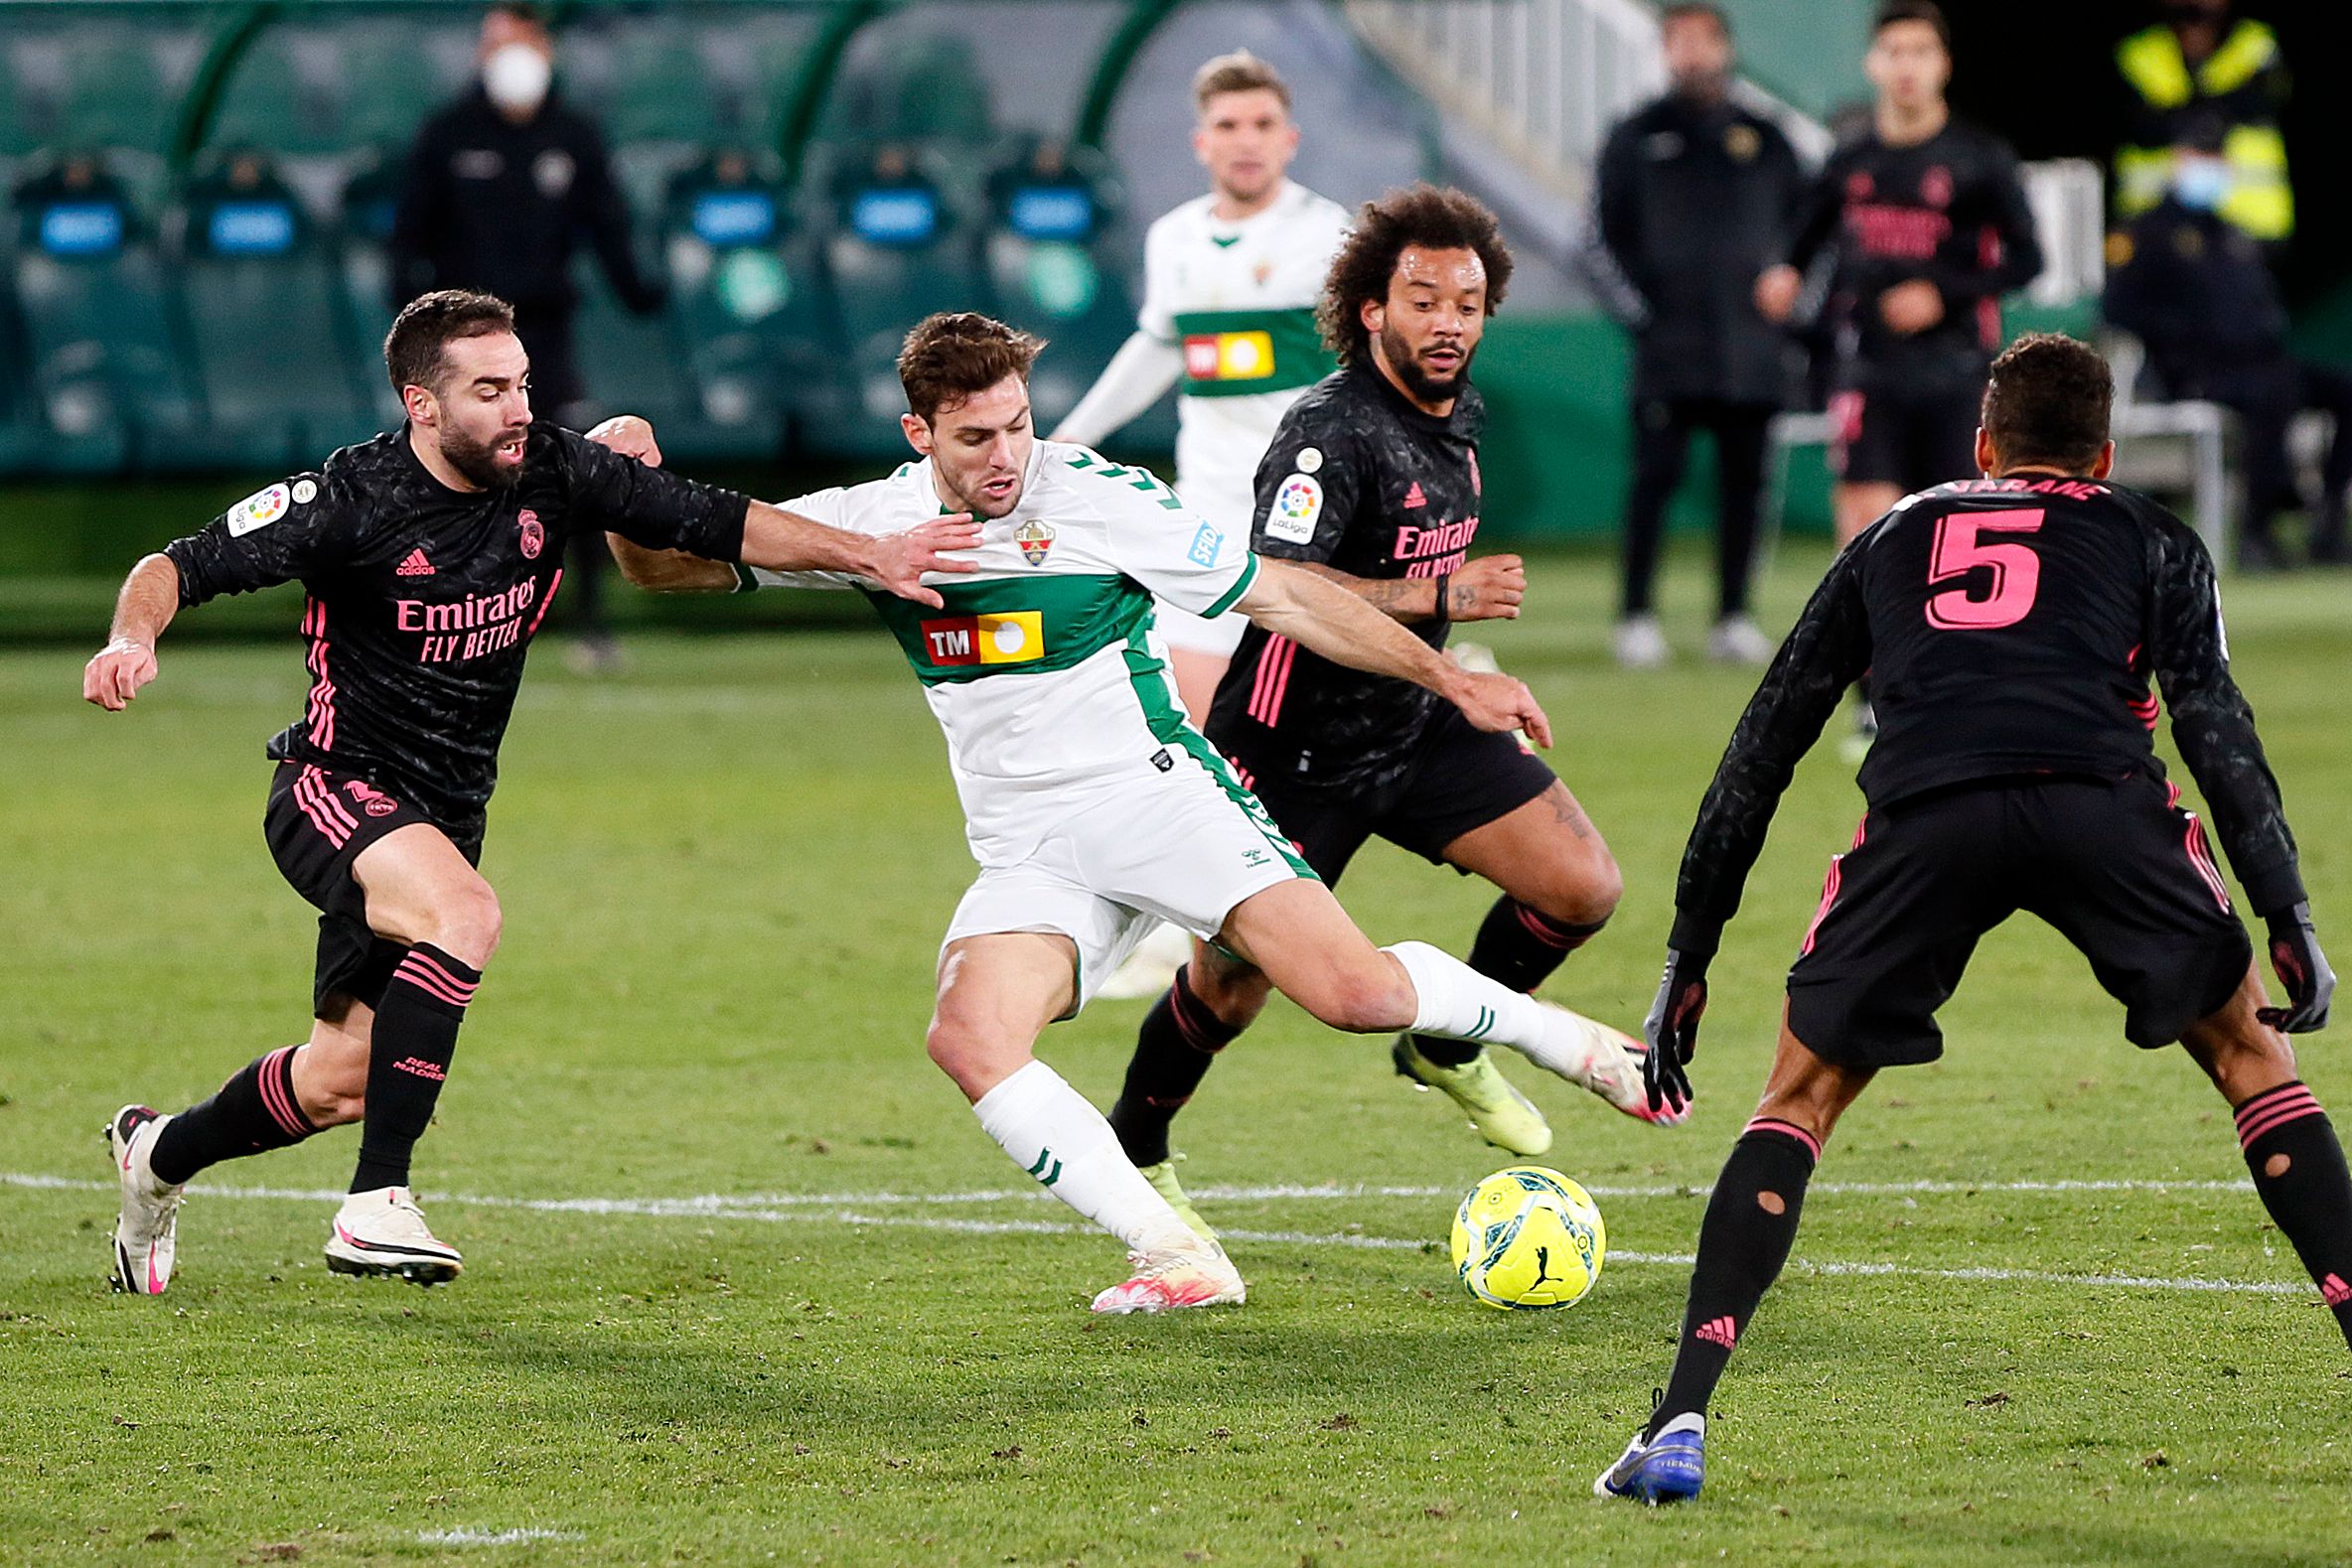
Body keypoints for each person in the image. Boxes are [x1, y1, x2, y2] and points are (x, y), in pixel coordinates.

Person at [609, 311, 1664, 1315]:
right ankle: (1176, 1252)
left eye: (1018, 425)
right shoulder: (870, 523)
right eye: (975, 438)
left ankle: (1566, 1040)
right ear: (917, 434)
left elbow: (1286, 596)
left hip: (1158, 801)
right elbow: (668, 569)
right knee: (971, 1036)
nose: (1006, 456)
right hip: (1029, 848)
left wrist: (1450, 678)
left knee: (1359, 996)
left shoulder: (1096, 497)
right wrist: (630, 494)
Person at [86, 289, 976, 1296]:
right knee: (465, 914)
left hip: (444, 815)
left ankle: (156, 1155)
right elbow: (175, 565)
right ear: (422, 404)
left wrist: (872, 555)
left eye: (521, 383)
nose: (517, 408)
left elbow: (719, 521)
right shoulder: (348, 498)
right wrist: (130, 638)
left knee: (341, 1079)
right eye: (489, 391)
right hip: (335, 788)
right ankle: (377, 1202)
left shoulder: (554, 469)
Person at [1595, 333, 2340, 1505]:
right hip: (2100, 805)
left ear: (1982, 445)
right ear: (2102, 455)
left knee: (1796, 1097)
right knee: (2254, 1058)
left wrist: (1691, 947)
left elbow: (1763, 743)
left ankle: (1678, 1417)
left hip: (1927, 817)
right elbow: (2214, 726)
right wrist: (2282, 902)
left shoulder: (1891, 534)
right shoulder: (2154, 536)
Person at [1101, 184, 1668, 1232]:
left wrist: (1442, 655)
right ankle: (1134, 1147)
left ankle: (1447, 1043)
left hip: (1410, 724)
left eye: (1467, 304)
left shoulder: (1463, 413)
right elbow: (1280, 582)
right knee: (1227, 987)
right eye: (1423, 301)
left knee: (1581, 885)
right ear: (1372, 309)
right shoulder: (1329, 431)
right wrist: (1444, 600)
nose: (1448, 322)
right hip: (1287, 750)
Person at [1052, 50, 1352, 998]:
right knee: (1190, 729)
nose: (1245, 141)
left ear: (1289, 138)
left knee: (1326, 733)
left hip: (1309, 521)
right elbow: (1160, 345)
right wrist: (1069, 439)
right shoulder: (1177, 238)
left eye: (1262, 125)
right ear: (1201, 141)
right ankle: (1187, 926)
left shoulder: (1330, 238)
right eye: (1228, 126)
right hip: (1207, 524)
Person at [1754, 0, 2042, 746]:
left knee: (1956, 540)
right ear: (1872, 64)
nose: (1907, 66)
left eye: (1920, 51)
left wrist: (1945, 292)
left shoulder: (1979, 158)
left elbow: (2027, 257)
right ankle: (1874, 700)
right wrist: (1784, 272)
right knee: (1870, 537)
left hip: (1956, 375)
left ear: (1943, 64)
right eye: (1894, 51)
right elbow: (1802, 235)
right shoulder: (1851, 160)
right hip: (1869, 373)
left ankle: (1956, 692)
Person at [388, 3, 662, 673]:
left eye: (524, 42)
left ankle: (589, 620)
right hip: (457, 344)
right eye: (499, 44)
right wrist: (415, 340)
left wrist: (646, 291)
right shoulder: (447, 135)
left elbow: (608, 230)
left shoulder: (573, 136)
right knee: (447, 471)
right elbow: (406, 241)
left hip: (543, 333)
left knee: (571, 462)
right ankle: (435, 617)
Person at [1589, 2, 1805, 669]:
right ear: (1665, 52)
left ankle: (1733, 617)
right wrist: (1645, 318)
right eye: (1678, 41)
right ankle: (1635, 617)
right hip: (1669, 353)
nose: (1692, 54)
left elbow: (1810, 235)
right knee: (1651, 484)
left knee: (1745, 489)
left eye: (1703, 41)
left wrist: (1792, 292)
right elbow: (1597, 242)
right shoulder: (1635, 136)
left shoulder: (1768, 139)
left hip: (1751, 352)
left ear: (1725, 49)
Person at [2105, 127, 2352, 569]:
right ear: (2180, 158)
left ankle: (2329, 519)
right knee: (2271, 394)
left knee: (2342, 388)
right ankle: (2257, 527)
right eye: (2203, 153)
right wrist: (2182, 335)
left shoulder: (2229, 232)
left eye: (2217, 155)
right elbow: (2118, 308)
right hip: (2193, 370)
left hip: (2257, 362)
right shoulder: (2148, 233)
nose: (2212, 165)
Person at [2113, 0, 2291, 245]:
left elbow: (2264, 99)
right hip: (2153, 227)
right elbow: (2137, 126)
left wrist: (2211, 117)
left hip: (2247, 229)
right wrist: (2185, 123)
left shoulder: (2257, 45)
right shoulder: (2140, 52)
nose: (2195, 11)